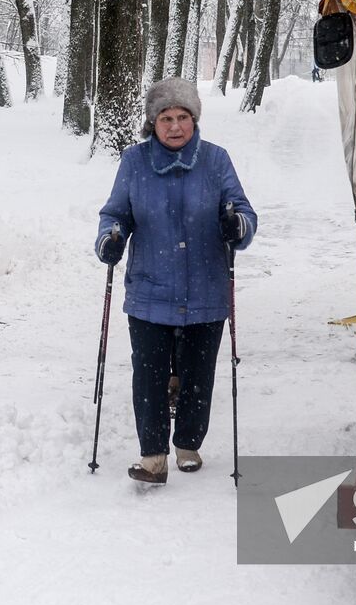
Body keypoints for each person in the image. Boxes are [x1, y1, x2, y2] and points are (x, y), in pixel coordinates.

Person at [95, 77, 257, 485]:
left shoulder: (216, 161)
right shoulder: (134, 162)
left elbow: (244, 214)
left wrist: (235, 225)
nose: (174, 126)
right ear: (153, 122)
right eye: (165, 117)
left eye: (183, 117)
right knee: (147, 374)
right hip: (151, 290)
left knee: (198, 372)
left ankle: (188, 442)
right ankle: (153, 456)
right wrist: (109, 240)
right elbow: (115, 214)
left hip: (206, 288)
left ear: (194, 119)